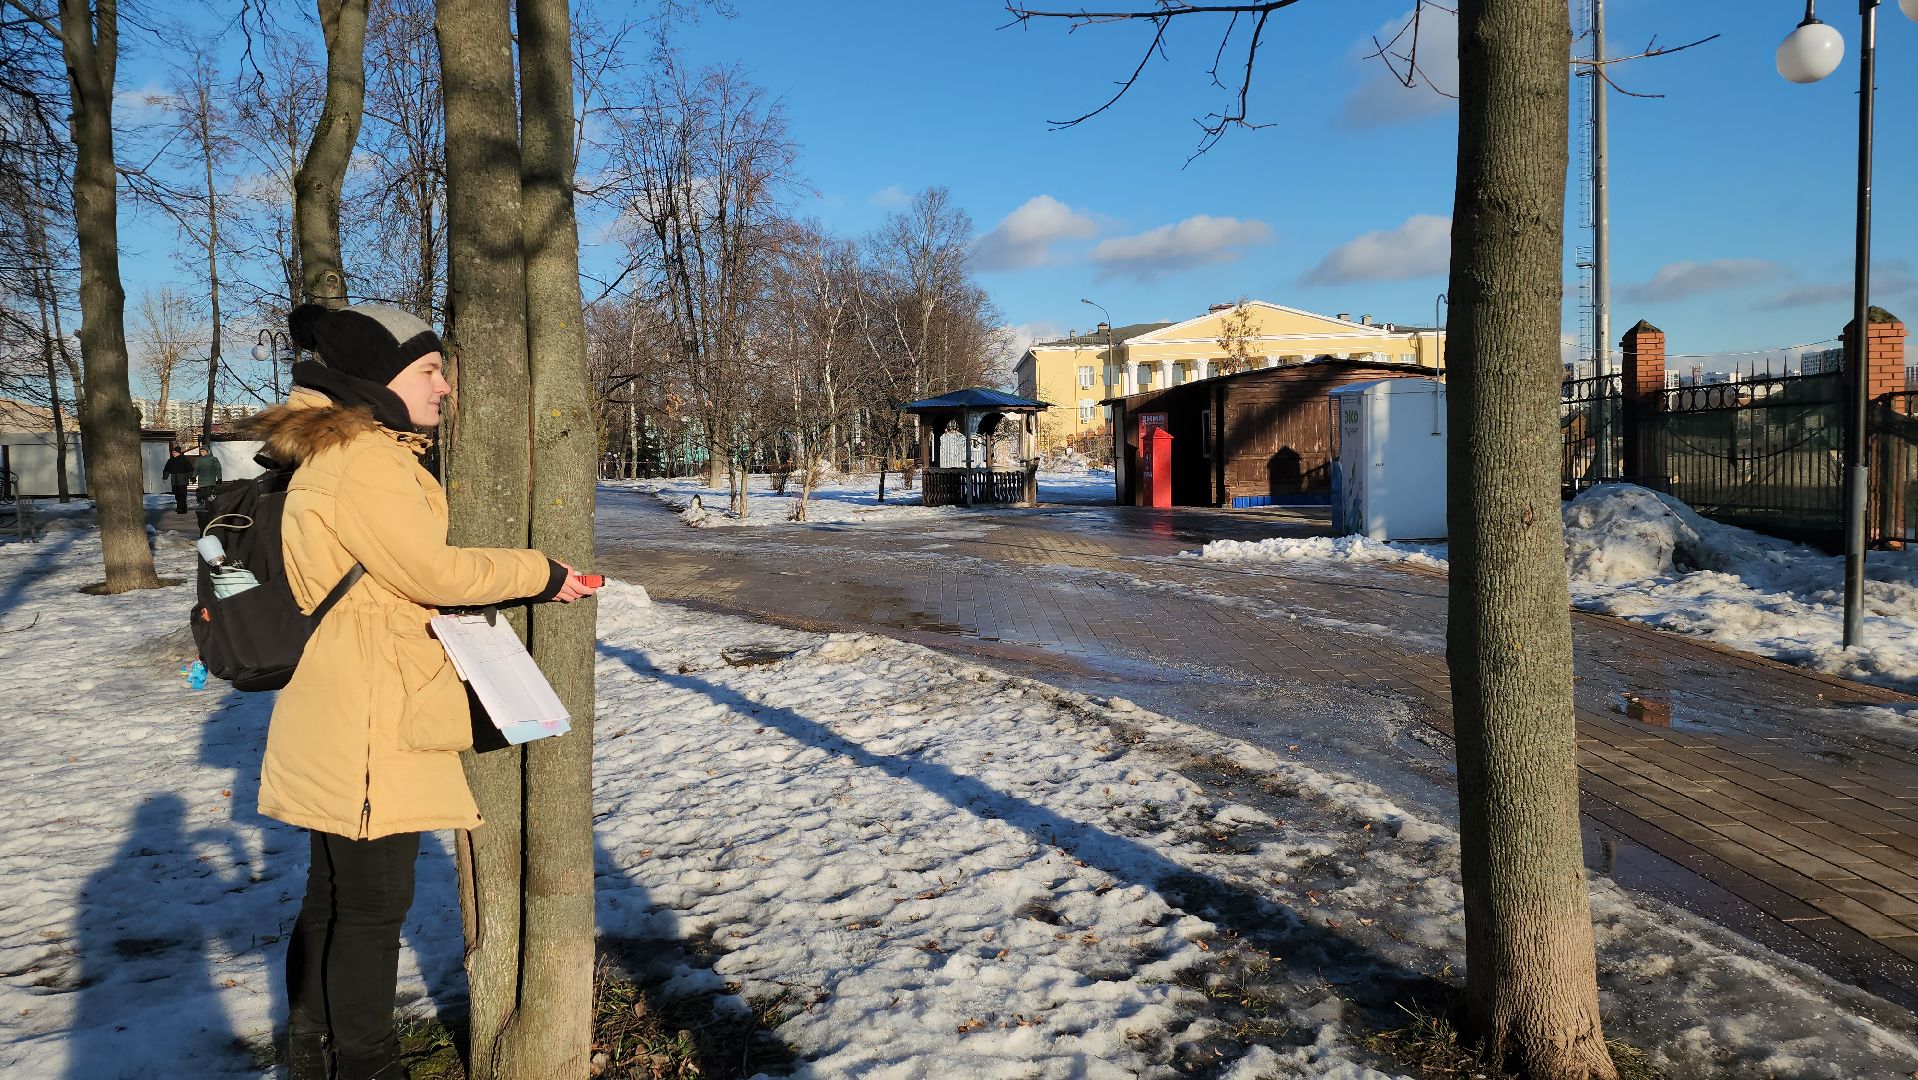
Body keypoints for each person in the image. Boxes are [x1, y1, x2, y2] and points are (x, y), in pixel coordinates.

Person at [248, 302, 598, 1080]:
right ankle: (368, 1066)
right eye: (430, 370)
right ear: (376, 378)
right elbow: (429, 571)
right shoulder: (365, 459)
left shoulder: (324, 455)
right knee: (370, 911)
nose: (446, 388)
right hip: (373, 712)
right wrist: (540, 573)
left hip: (333, 699)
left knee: (333, 899)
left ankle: (311, 1052)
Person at [162, 446, 194, 513]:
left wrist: (192, 478)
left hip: (183, 480)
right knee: (177, 495)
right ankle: (180, 507)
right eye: (173, 452)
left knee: (182, 494)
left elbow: (190, 470)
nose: (173, 453)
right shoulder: (170, 460)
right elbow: (166, 470)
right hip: (174, 480)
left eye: (175, 452)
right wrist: (165, 477)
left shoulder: (184, 459)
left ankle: (182, 508)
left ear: (179, 452)